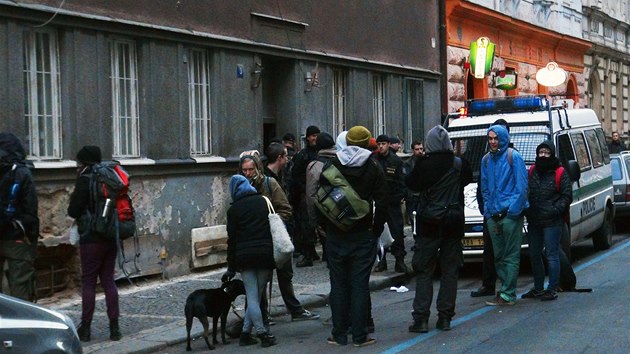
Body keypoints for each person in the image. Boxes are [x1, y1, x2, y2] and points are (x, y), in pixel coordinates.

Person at [238, 151, 320, 322]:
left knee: (285, 276)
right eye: (244, 170)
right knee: (261, 280)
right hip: (256, 242)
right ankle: (262, 315)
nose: (247, 173)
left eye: (251, 169)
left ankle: (295, 310)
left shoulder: (270, 184)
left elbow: (286, 209)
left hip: (275, 239)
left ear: (258, 168)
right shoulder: (239, 187)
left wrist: (271, 223)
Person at [406, 125, 472, 333]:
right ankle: (445, 317)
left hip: (429, 223)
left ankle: (421, 319)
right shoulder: (460, 164)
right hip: (453, 221)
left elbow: (412, 184)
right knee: (450, 271)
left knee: (424, 270)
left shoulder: (424, 164)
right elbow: (467, 181)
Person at [325, 126, 387, 347]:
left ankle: (338, 333)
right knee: (360, 284)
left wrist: (326, 229)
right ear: (364, 144)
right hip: (362, 233)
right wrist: (375, 229)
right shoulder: (373, 167)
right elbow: (383, 202)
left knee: (338, 285)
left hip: (335, 233)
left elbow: (321, 199)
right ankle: (360, 335)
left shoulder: (333, 164)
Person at [67, 145, 121, 342]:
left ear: (83, 162)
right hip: (110, 236)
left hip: (91, 238)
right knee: (108, 280)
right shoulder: (109, 176)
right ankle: (115, 329)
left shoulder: (85, 179)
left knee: (89, 281)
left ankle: (86, 328)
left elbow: (73, 211)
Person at [223, 175, 277, 347]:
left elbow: (231, 241)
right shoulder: (263, 201)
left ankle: (248, 334)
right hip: (265, 253)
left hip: (244, 256)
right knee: (257, 295)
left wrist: (231, 267)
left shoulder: (234, 210)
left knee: (253, 297)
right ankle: (260, 333)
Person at [480, 125, 528, 306]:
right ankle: (504, 290)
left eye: (496, 138)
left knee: (511, 255)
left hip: (509, 215)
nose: (493, 142)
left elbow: (521, 186)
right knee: (498, 255)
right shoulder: (486, 160)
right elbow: (484, 187)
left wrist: (513, 212)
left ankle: (508, 292)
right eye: (490, 138)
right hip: (493, 215)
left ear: (503, 138)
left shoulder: (513, 157)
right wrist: (488, 211)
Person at [523, 141, 572, 301]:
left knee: (551, 254)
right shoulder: (532, 171)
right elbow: (527, 191)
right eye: (540, 152)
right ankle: (538, 288)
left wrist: (555, 210)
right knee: (534, 254)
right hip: (534, 220)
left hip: (552, 221)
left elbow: (566, 196)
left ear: (552, 154)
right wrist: (527, 209)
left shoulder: (560, 172)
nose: (543, 155)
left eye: (546, 152)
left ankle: (551, 288)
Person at [0, 132, 39, 302]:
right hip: (16, 236)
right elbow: (30, 208)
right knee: (20, 286)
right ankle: (21, 324)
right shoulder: (22, 172)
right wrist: (30, 233)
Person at [373, 134, 407, 273]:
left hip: (392, 203)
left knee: (397, 232)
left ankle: (399, 260)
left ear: (388, 144)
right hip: (378, 203)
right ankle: (382, 261)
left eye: (383, 144)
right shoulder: (373, 160)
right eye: (379, 144)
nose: (381, 147)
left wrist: (399, 197)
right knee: (379, 233)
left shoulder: (395, 161)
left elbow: (401, 182)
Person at [303, 132, 336, 266]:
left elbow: (311, 195)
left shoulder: (314, 166)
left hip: (325, 209)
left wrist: (313, 219)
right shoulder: (343, 160)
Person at [291, 125, 320, 260]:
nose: (315, 138)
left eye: (317, 135)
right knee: (306, 224)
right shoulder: (302, 155)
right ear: (308, 137)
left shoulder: (320, 153)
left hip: (319, 193)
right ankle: (308, 251)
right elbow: (296, 176)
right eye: (313, 135)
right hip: (305, 194)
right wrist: (304, 190)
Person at [403, 140, 424, 228]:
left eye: (421, 149)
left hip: (423, 195)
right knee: (413, 220)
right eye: (417, 149)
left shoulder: (426, 161)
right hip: (412, 196)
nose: (419, 151)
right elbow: (405, 179)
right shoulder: (408, 163)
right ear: (413, 150)